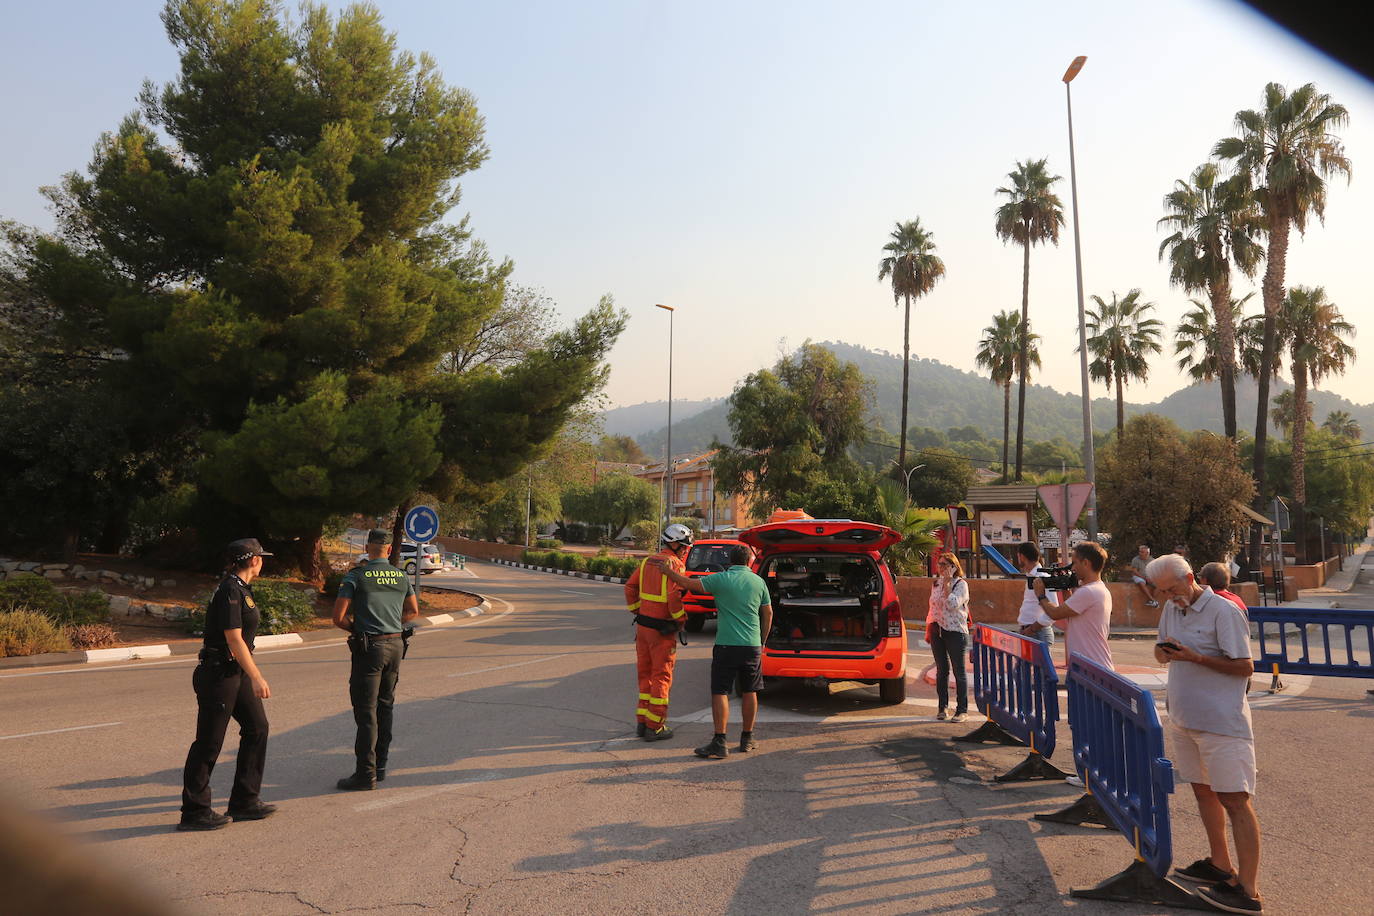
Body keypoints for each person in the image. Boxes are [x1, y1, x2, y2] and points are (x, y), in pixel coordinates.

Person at [1148, 554, 1263, 915]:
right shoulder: (1172, 608)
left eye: (1173, 589)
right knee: (1203, 792)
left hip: (1221, 722)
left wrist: (1196, 658)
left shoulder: (1223, 611)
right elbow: (1159, 649)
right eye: (1162, 592)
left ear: (1190, 577)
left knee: (1235, 800)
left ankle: (1248, 889)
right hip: (1185, 718)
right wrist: (1164, 654)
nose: (1169, 597)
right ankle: (1220, 863)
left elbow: (1245, 666)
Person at [179, 538, 276, 830]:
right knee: (209, 742)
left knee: (257, 727)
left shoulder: (241, 588)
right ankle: (195, 812)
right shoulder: (229, 590)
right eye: (262, 558)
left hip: (235, 673)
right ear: (255, 560)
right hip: (219, 674)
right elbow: (234, 640)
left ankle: (245, 801)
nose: (263, 562)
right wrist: (257, 676)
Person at [653, 543, 773, 758]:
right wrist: (761, 642)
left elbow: (688, 583)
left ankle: (720, 741)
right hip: (752, 646)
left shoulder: (721, 579)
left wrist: (668, 571)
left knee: (720, 691)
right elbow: (768, 613)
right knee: (750, 691)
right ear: (750, 562)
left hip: (727, 645)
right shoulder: (759, 582)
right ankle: (747, 738)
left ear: (730, 561)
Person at [333, 529, 421, 790]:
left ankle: (364, 775)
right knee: (386, 707)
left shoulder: (356, 576)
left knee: (366, 712)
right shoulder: (401, 575)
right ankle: (380, 767)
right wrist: (392, 624)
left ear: (366, 548)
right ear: (390, 550)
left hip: (369, 648)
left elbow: (338, 618)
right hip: (395, 645)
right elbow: (413, 611)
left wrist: (360, 629)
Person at [624, 523, 694, 741]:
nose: (685, 551)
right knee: (662, 677)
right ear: (673, 544)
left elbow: (630, 587)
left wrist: (638, 610)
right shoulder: (674, 565)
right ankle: (655, 727)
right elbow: (674, 598)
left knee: (645, 676)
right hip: (661, 631)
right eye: (683, 547)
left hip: (643, 629)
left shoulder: (647, 562)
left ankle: (642, 723)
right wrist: (680, 620)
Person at [1032, 540, 1113, 672]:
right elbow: (1071, 613)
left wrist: (1041, 595)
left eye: (1075, 562)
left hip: (1090, 667)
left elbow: (1055, 613)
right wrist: (1066, 589)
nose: (1072, 568)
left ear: (1086, 563)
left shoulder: (1088, 592)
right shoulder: (1097, 589)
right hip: (1090, 665)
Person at [926, 554, 971, 722]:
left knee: (959, 672)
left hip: (955, 632)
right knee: (941, 670)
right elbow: (932, 606)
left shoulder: (961, 585)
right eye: (939, 564)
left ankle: (962, 710)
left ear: (953, 566)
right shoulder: (935, 584)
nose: (941, 567)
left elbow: (952, 604)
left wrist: (947, 584)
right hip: (937, 630)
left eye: (944, 564)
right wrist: (929, 627)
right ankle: (942, 707)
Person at [1013, 542, 1056, 645]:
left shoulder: (1043, 577)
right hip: (1030, 631)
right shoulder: (1032, 577)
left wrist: (1032, 628)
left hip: (1038, 633)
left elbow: (1053, 611)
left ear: (1021, 557)